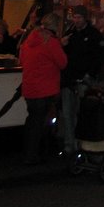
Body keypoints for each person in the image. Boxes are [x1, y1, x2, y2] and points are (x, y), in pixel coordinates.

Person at [18, 13, 67, 165]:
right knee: (43, 123)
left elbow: (22, 60)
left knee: (32, 121)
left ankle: (28, 152)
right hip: (46, 89)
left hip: (30, 88)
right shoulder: (51, 43)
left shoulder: (29, 41)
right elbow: (63, 63)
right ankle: (37, 155)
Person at [60, 4, 104, 155]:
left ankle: (82, 143)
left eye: (79, 17)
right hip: (69, 79)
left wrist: (90, 74)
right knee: (68, 114)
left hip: (84, 79)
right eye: (74, 17)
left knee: (82, 112)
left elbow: (99, 57)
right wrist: (63, 46)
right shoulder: (70, 33)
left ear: (84, 18)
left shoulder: (93, 35)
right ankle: (70, 144)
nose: (76, 20)